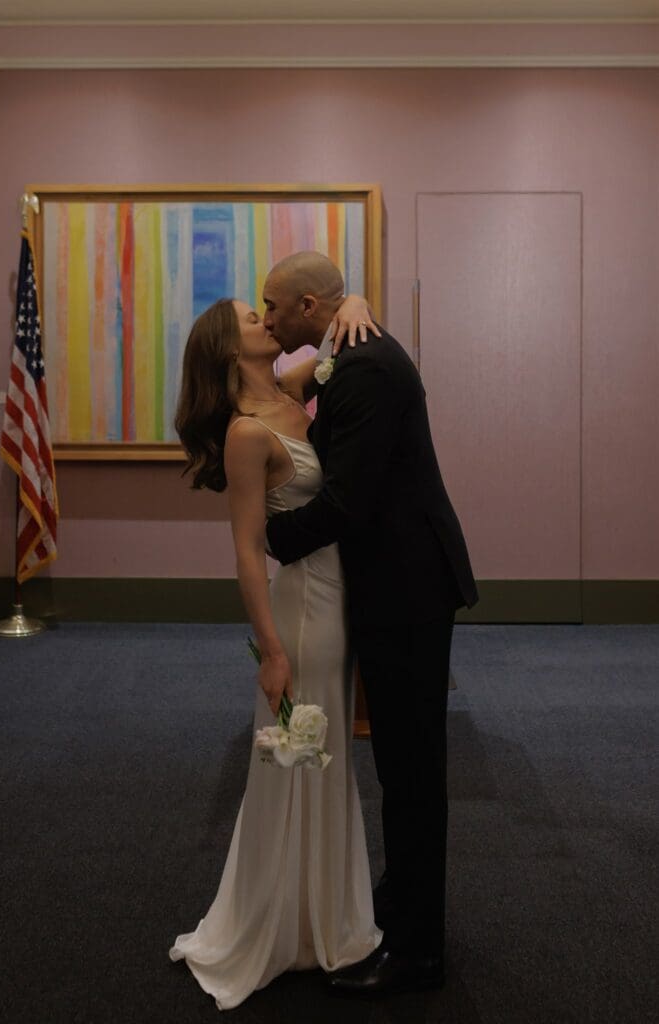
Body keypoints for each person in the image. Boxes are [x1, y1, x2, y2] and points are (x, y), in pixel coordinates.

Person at [263, 252, 479, 997]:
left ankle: (418, 951)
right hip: (392, 582)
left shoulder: (366, 368)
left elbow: (345, 504)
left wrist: (264, 540)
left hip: (408, 588)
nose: (264, 319)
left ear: (309, 306)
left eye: (273, 306)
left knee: (413, 771)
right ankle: (399, 900)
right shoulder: (345, 352)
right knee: (397, 762)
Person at [168, 291, 382, 1010]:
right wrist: (269, 650)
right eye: (252, 319)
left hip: (338, 600)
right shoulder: (245, 434)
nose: (266, 320)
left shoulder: (294, 390)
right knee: (299, 760)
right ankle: (290, 927)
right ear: (232, 351)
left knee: (325, 762)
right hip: (301, 613)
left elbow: (330, 344)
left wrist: (352, 298)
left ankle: (322, 914)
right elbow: (243, 552)